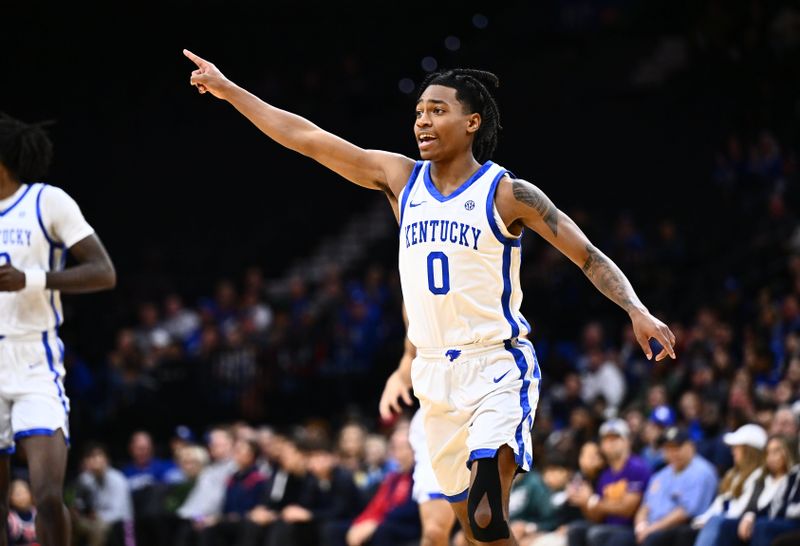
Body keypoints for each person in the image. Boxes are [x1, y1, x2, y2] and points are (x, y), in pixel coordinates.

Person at [185, 50, 676, 545]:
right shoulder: (400, 180)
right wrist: (229, 90)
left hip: (495, 367)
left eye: (438, 110)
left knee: (485, 514)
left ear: (472, 122)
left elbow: (586, 253)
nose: (423, 120)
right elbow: (309, 139)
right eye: (419, 111)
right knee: (478, 532)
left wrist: (636, 310)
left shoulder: (507, 193)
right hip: (434, 376)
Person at [0, 113, 116, 546]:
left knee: (48, 496)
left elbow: (103, 272)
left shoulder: (47, 201)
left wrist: (30, 279)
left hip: (34, 358)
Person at [379, 311, 457, 546]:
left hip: (484, 401)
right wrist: (400, 378)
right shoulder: (413, 284)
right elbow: (412, 351)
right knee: (434, 533)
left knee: (483, 528)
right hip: (435, 416)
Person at [567, 419, 651, 546]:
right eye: (606, 439)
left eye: (615, 438)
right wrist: (583, 501)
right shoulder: (605, 475)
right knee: (576, 529)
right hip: (608, 526)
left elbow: (628, 509)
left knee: (597, 534)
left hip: (631, 528)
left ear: (628, 441)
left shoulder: (637, 467)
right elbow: (596, 517)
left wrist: (592, 501)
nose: (610, 443)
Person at [633, 427, 718, 546]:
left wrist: (652, 529)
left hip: (682, 529)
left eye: (677, 447)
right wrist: (640, 526)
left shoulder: (701, 472)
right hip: (653, 529)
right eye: (668, 448)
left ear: (691, 446)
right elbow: (645, 506)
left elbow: (684, 513)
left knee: (653, 540)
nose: (672, 453)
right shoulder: (660, 474)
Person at [691, 423, 767, 546]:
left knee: (717, 522)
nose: (732, 452)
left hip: (739, 523)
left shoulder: (759, 475)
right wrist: (703, 519)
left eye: (737, 448)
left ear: (749, 451)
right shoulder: (732, 475)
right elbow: (718, 505)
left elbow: (745, 508)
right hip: (721, 520)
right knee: (686, 531)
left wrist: (711, 520)